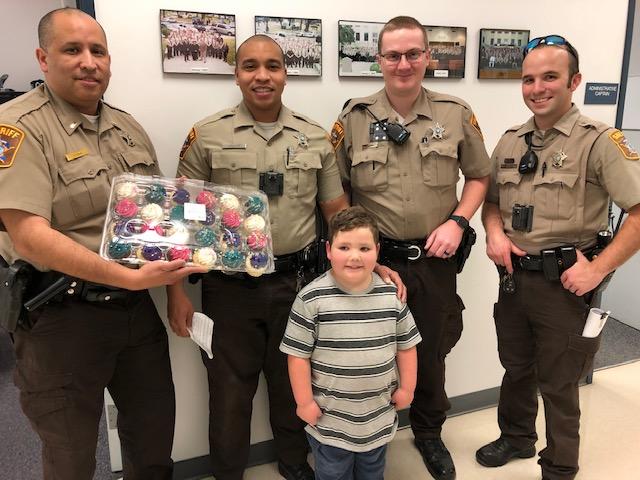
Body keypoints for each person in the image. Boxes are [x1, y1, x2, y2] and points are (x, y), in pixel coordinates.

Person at [0, 8, 205, 480]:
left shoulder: (128, 127)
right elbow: (30, 236)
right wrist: (130, 277)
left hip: (135, 313)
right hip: (60, 319)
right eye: (72, 50)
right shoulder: (19, 128)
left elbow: (164, 218)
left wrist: (174, 291)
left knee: (153, 438)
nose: (88, 61)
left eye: (98, 50)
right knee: (70, 453)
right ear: (43, 58)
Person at [167, 34, 355, 480]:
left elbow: (338, 214)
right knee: (229, 392)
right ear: (237, 74)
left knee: (294, 382)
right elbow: (182, 220)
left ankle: (294, 464)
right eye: (250, 66)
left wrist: (364, 265)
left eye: (272, 65)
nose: (262, 75)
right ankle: (228, 472)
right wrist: (174, 292)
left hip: (298, 285)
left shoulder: (314, 136)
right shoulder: (207, 135)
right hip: (229, 287)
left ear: (286, 74)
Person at [332, 16, 491, 480]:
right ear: (378, 60)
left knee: (431, 351)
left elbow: (479, 177)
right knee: (363, 351)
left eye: (413, 54)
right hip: (370, 265)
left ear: (427, 57)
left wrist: (459, 222)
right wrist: (361, 251)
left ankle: (428, 433)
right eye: (393, 55)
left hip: (434, 261)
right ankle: (364, 435)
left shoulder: (455, 113)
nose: (403, 64)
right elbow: (336, 191)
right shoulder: (353, 118)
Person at [478, 35, 640, 480]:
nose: (538, 88)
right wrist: (494, 233)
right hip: (514, 278)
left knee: (560, 382)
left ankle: (560, 466)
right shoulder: (511, 141)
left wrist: (598, 269)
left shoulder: (599, 141)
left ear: (575, 81)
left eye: (550, 76)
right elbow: (490, 201)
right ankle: (515, 438)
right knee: (515, 368)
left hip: (566, 285)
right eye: (529, 79)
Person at [280, 206, 421, 480]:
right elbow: (297, 356)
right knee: (333, 474)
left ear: (377, 251)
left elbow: (407, 346)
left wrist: (407, 387)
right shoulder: (311, 300)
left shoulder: (391, 295)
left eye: (364, 248)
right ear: (329, 250)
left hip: (378, 416)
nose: (354, 257)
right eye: (344, 247)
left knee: (372, 473)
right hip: (330, 420)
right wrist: (304, 402)